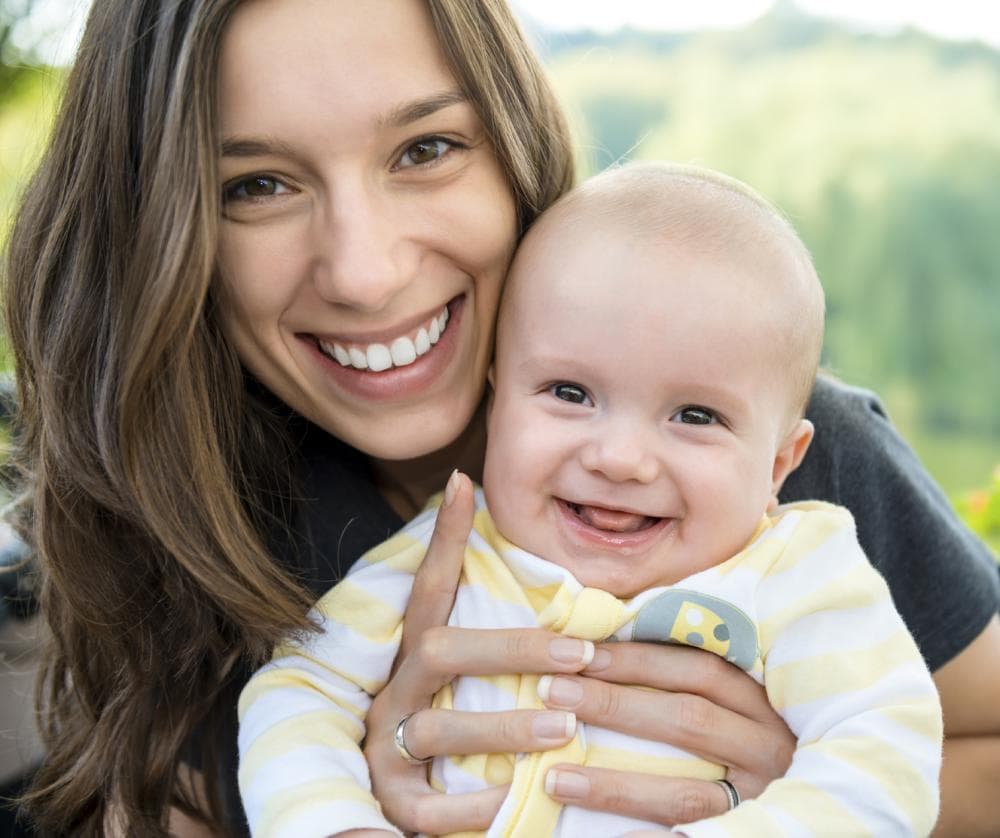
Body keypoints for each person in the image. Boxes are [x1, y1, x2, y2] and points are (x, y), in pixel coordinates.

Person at [1, 0, 997, 836]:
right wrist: (354, 799)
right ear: (160, 227)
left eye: (426, 148)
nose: (364, 270)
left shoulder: (787, 487)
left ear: (515, 145)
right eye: (255, 185)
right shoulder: (187, 519)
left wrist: (776, 790)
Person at [236, 163, 944, 837]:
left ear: (780, 464)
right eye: (570, 394)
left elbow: (888, 752)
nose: (620, 459)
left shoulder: (797, 576)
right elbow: (298, 692)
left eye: (695, 416)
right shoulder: (450, 555)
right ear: (496, 401)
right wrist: (340, 822)